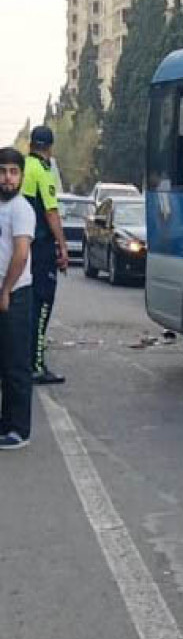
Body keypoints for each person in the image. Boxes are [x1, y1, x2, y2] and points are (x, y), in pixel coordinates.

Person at [22, 125, 69, 385]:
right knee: (42, 305)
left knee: (24, 306)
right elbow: (51, 213)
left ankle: (22, 359)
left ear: (31, 145)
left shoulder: (20, 169)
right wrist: (62, 247)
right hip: (40, 249)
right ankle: (36, 364)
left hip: (21, 248)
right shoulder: (42, 171)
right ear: (49, 149)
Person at [0, 147, 35, 449]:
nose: (7, 178)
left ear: (21, 176)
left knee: (15, 364)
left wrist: (6, 291)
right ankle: (5, 421)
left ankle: (19, 430)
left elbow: (21, 253)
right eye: (2, 171)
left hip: (16, 294)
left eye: (13, 172)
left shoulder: (22, 209)